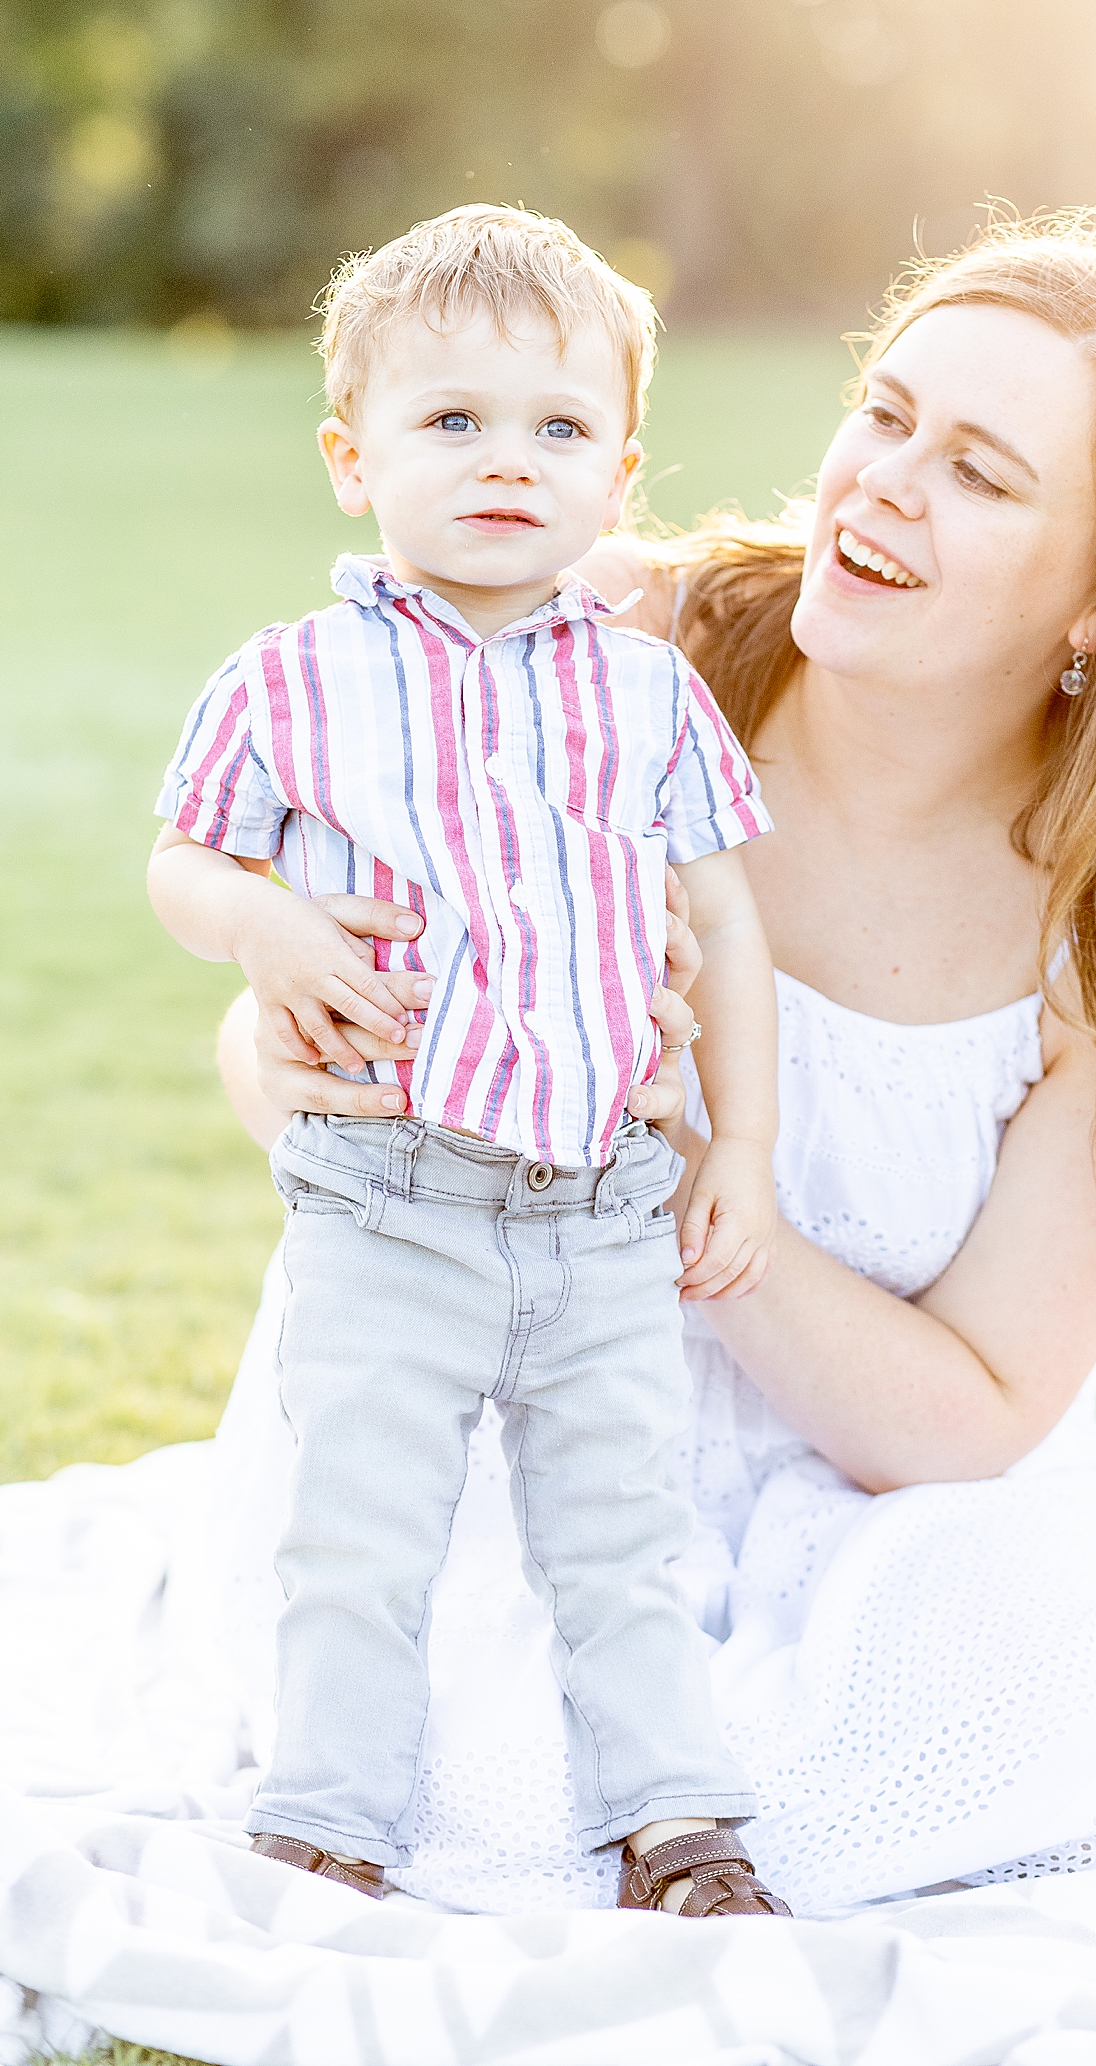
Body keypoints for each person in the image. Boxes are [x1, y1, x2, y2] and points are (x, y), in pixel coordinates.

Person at [210, 207, 1096, 1919]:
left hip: (888, 1510)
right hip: (492, 1399)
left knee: (902, 1782)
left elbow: (969, 1414)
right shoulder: (607, 651)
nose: (880, 483)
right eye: (884, 414)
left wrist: (674, 1166)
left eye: (980, 470)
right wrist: (330, 1047)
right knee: (495, 1800)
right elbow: (271, 1056)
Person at [147, 204, 791, 1917]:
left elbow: (724, 927)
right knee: (357, 1531)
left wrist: (738, 1147)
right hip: (392, 1195)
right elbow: (184, 863)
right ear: (352, 457)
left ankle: (678, 1823)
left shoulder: (651, 697)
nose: (508, 463)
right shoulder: (293, 681)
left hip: (596, 1209)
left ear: (620, 465)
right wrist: (264, 926)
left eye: (558, 428)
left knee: (622, 1540)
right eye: (453, 422)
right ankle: (328, 1820)